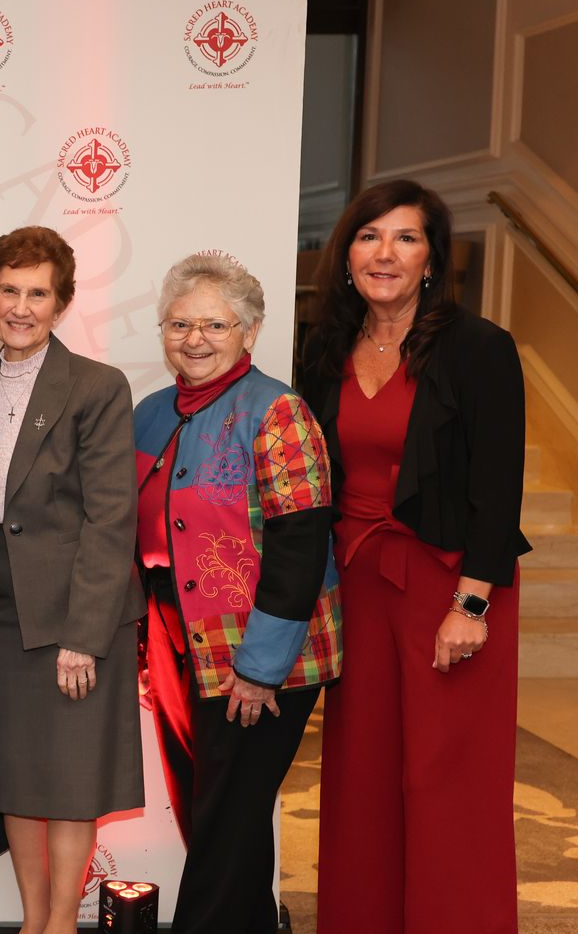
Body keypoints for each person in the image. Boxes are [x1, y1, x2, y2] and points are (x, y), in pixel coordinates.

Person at [300, 180, 526, 934]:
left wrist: (471, 603)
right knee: (361, 774)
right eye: (368, 237)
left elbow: (499, 491)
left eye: (405, 238)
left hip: (448, 583)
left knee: (445, 779)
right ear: (346, 254)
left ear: (431, 257)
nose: (383, 254)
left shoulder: (478, 348)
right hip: (357, 582)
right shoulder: (325, 345)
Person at [132, 253, 341, 933]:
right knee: (215, 807)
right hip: (172, 637)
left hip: (256, 648)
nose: (194, 338)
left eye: (213, 325)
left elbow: (300, 547)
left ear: (248, 333)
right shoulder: (149, 414)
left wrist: (258, 669)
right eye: (179, 323)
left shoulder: (278, 412)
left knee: (226, 809)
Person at [0, 226, 144, 934]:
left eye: (36, 292)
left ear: (60, 301)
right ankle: (30, 919)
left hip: (75, 613)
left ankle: (60, 924)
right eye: (8, 290)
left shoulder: (97, 387)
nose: (20, 306)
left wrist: (83, 636)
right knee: (16, 776)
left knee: (72, 783)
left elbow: (110, 518)